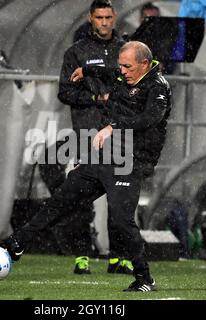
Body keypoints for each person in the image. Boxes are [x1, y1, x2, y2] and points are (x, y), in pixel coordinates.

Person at [0, 41, 172, 292]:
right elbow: (110, 71)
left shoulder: (158, 87)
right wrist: (87, 71)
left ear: (144, 64)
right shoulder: (124, 75)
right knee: (61, 201)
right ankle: (16, 244)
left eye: (127, 66)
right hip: (102, 156)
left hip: (129, 162)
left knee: (122, 221)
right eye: (121, 65)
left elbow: (149, 118)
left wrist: (114, 127)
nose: (122, 71)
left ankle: (145, 278)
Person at [53, 0, 132, 275]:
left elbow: (139, 85)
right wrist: (98, 97)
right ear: (91, 18)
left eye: (108, 17)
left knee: (119, 197)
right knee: (80, 197)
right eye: (99, 17)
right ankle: (81, 257)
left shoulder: (127, 50)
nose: (105, 22)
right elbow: (65, 92)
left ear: (114, 17)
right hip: (86, 132)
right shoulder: (77, 52)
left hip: (120, 133)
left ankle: (117, 258)